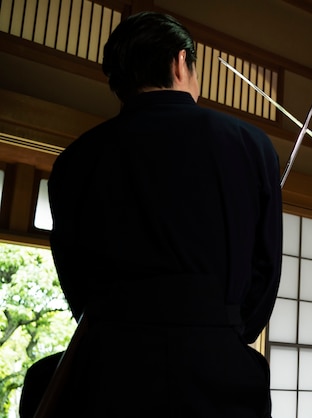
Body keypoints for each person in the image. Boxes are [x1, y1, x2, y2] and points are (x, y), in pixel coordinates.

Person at [22, 11, 282, 417]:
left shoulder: (75, 160)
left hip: (108, 366)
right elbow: (265, 266)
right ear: (181, 62)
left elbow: (72, 270)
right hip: (217, 367)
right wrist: (227, 328)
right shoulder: (250, 144)